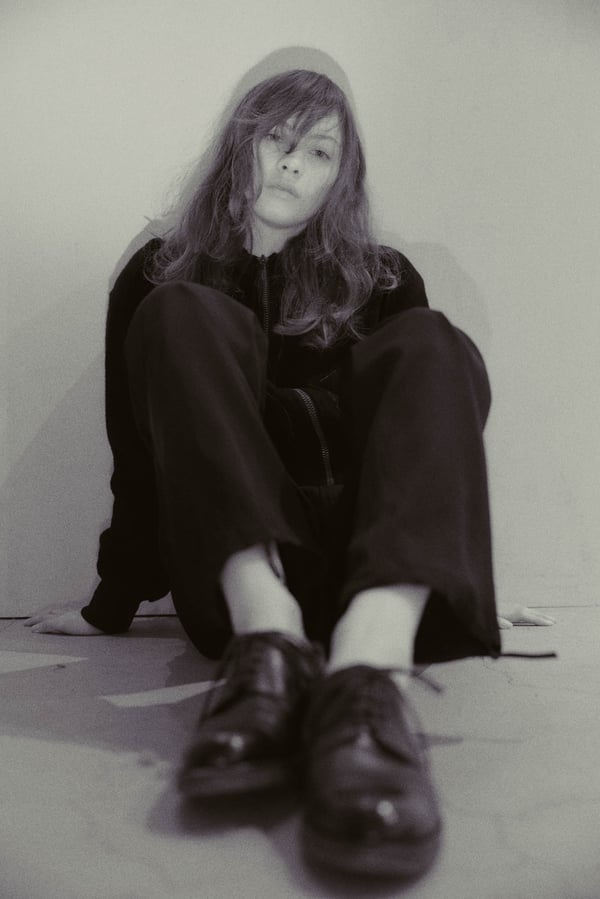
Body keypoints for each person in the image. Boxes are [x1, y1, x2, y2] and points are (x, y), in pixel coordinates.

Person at [26, 68, 506, 880]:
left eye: (318, 152)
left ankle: (370, 666)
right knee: (180, 311)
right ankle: (270, 639)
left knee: (433, 340)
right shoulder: (157, 275)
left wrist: (448, 564)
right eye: (277, 140)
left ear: (340, 178)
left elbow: (421, 437)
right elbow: (139, 458)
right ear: (239, 146)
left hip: (366, 575)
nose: (291, 163)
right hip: (237, 582)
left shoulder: (385, 279)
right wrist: (112, 602)